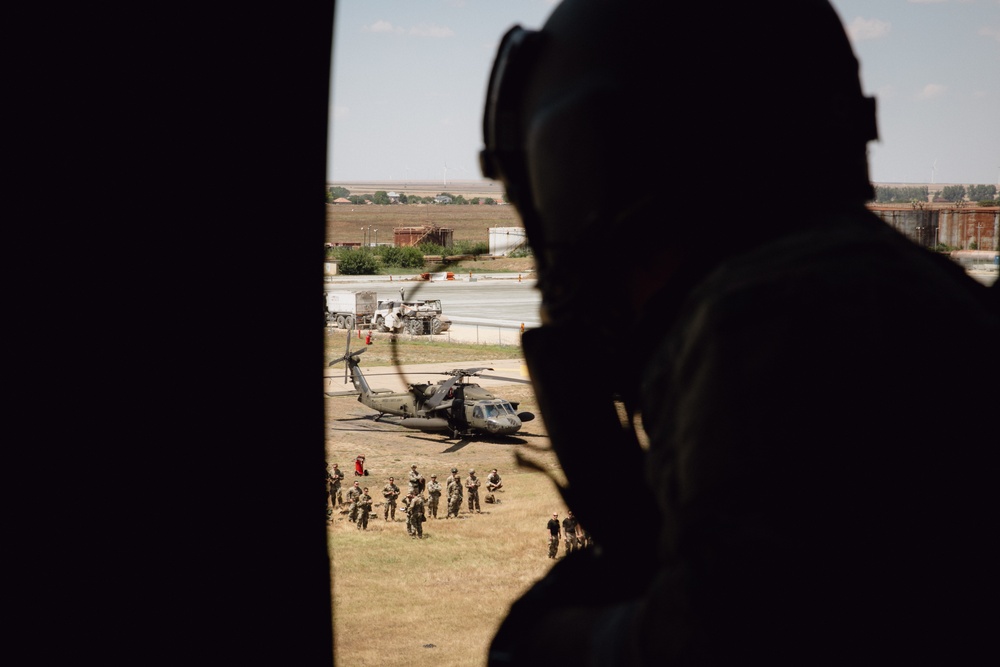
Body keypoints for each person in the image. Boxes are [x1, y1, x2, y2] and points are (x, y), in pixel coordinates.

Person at [480, 1, 1000, 664]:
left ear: (586, 163)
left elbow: (723, 637)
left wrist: (544, 639)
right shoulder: (918, 290)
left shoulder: (765, 322)